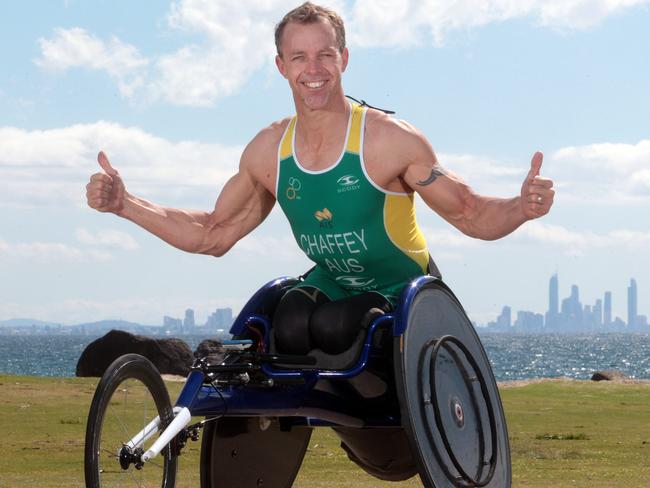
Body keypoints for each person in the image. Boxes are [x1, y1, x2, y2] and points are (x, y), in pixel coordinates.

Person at [86, 1, 554, 480]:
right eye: (299, 57)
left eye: (325, 55)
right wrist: (126, 204)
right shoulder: (269, 150)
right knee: (285, 321)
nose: (313, 70)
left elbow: (470, 212)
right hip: (331, 283)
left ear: (344, 60)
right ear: (281, 66)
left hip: (401, 296)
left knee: (332, 326)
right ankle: (296, 418)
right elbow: (212, 232)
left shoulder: (388, 140)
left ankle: (374, 419)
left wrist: (521, 206)